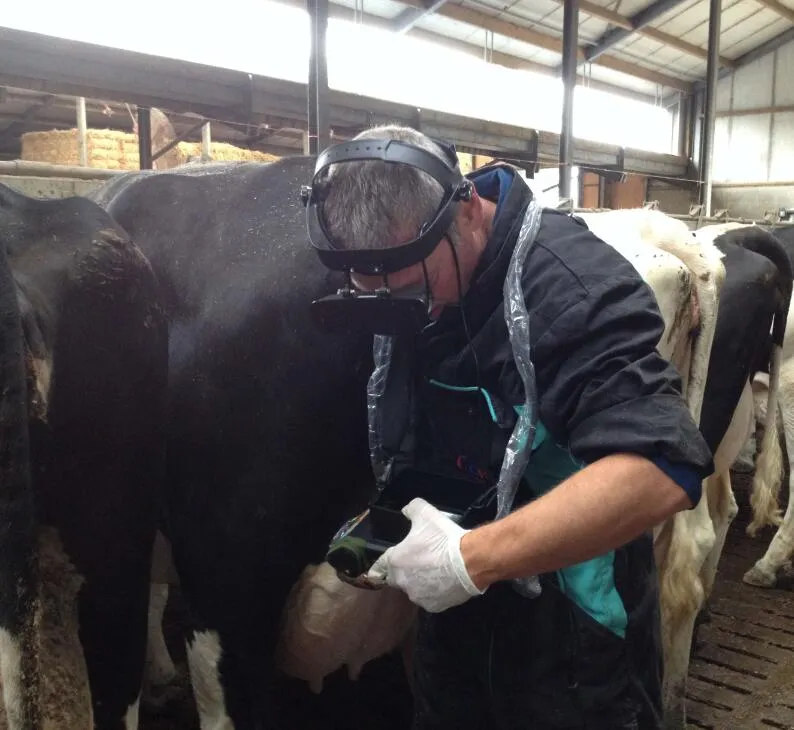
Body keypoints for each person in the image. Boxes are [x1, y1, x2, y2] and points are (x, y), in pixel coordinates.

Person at [307, 124, 715, 730]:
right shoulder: (422, 276)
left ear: (466, 209)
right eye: (378, 296)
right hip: (457, 628)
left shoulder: (573, 289)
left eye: (417, 288)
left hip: (570, 639)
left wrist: (468, 559)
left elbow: (663, 468)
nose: (412, 313)